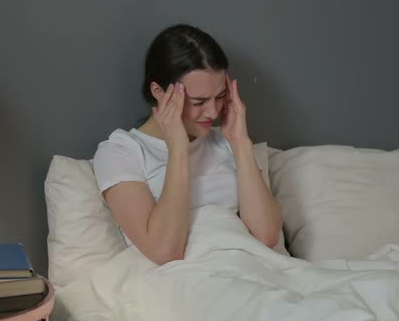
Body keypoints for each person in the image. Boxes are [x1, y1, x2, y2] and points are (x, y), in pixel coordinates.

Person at [93, 24, 283, 265]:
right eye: (199, 101)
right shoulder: (121, 151)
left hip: (246, 268)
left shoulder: (226, 142)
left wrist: (240, 142)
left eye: (220, 96)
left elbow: (266, 235)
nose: (213, 111)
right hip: (187, 281)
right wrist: (178, 149)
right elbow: (165, 251)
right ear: (159, 92)